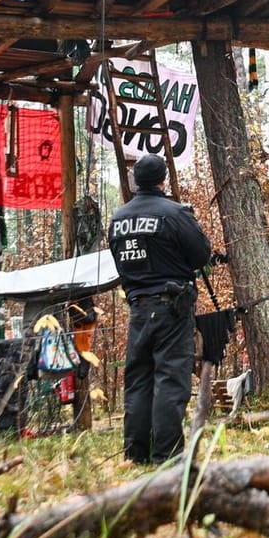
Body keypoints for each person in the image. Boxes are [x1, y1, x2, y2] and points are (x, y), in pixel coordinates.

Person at [108, 153, 213, 463]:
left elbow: (120, 264)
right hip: (172, 308)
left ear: (135, 181)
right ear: (163, 179)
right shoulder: (175, 213)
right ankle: (166, 456)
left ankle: (135, 453)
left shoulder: (118, 220)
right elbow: (200, 256)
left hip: (138, 308)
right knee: (170, 378)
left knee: (139, 379)